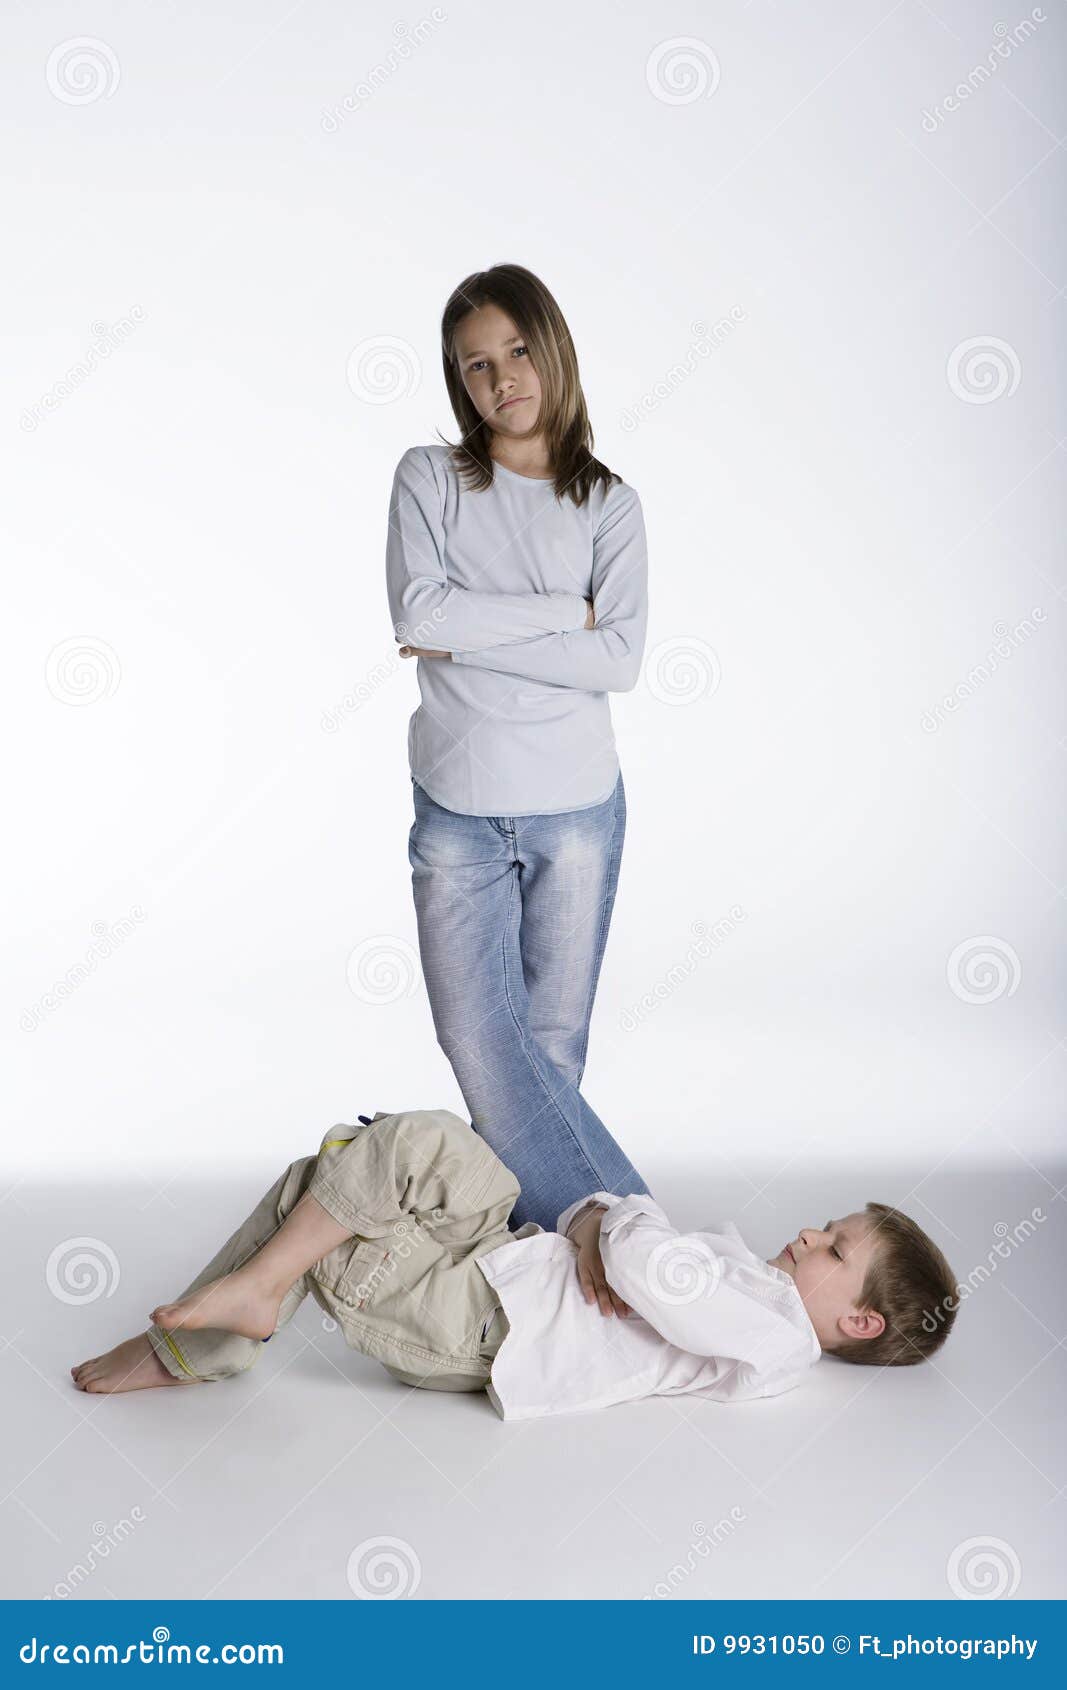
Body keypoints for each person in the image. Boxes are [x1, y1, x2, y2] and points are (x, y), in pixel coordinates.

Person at [71, 1108, 960, 1419]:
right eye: (823, 1227)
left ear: (860, 1322)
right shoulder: (759, 1296)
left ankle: (200, 1341)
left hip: (476, 1326)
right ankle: (247, 1304)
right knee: (415, 1148)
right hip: (503, 1269)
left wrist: (620, 1212)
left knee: (335, 1178)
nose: (808, 1238)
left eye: (833, 1249)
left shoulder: (773, 1337)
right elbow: (603, 1233)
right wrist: (597, 1221)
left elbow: (643, 1264)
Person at [385, 263, 651, 1231]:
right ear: (456, 382)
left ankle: (536, 1250)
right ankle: (628, 1234)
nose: (500, 378)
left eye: (517, 350)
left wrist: (467, 630)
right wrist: (558, 619)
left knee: (549, 1048)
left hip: (575, 801)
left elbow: (616, 660)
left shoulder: (609, 506)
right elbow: (415, 610)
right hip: (456, 799)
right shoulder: (431, 477)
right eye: (474, 365)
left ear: (552, 347)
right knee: (477, 1039)